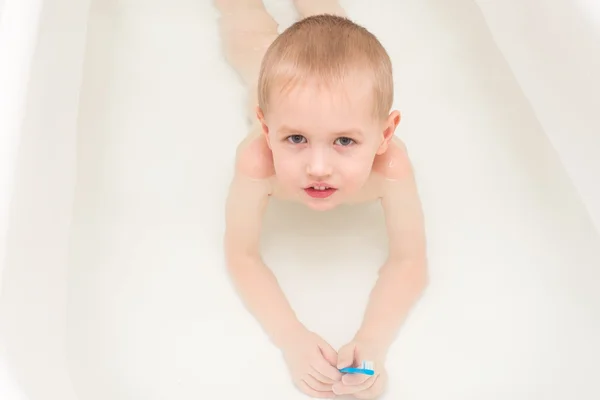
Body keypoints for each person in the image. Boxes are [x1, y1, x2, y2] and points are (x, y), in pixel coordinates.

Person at [215, 0, 428, 398]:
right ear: (265, 127)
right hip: (266, 67)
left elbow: (410, 260)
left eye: (344, 141)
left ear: (385, 133)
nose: (317, 167)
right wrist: (291, 338)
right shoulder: (258, 163)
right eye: (295, 138)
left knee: (330, 28)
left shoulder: (391, 167)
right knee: (250, 31)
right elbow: (241, 255)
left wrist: (373, 342)